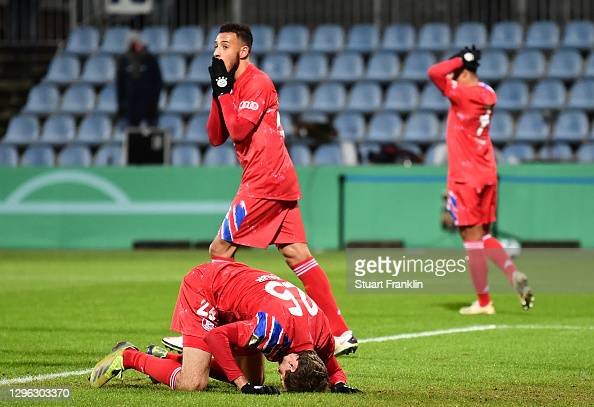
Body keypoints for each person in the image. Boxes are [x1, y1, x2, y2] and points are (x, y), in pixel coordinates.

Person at [161, 23, 356, 355]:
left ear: (243, 51)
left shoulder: (258, 82)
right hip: (278, 178)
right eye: (215, 46)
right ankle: (339, 334)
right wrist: (217, 89)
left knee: (220, 250)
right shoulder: (231, 85)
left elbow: (237, 130)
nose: (217, 52)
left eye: (224, 46)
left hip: (265, 179)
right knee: (297, 254)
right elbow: (215, 136)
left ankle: (204, 335)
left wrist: (223, 90)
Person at [89, 259, 361, 394]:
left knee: (258, 381)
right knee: (193, 383)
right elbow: (217, 338)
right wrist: (242, 385)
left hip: (242, 294)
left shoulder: (321, 334)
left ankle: (170, 359)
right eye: (283, 374)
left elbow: (331, 366)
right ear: (291, 363)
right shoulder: (269, 329)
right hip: (207, 287)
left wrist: (340, 383)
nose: (279, 374)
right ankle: (129, 356)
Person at [427, 46, 534, 315]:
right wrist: (467, 64)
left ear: (462, 71)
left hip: (466, 175)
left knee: (470, 238)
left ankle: (484, 302)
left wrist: (457, 60)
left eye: (457, 71)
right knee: (484, 234)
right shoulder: (488, 93)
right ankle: (512, 274)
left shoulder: (461, 94)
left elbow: (434, 72)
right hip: (488, 172)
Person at [116, 33, 163, 127]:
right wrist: (122, 105)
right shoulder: (124, 60)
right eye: (134, 44)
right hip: (131, 105)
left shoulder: (150, 59)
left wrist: (154, 101)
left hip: (149, 105)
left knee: (150, 130)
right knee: (132, 132)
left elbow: (158, 82)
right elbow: (120, 84)